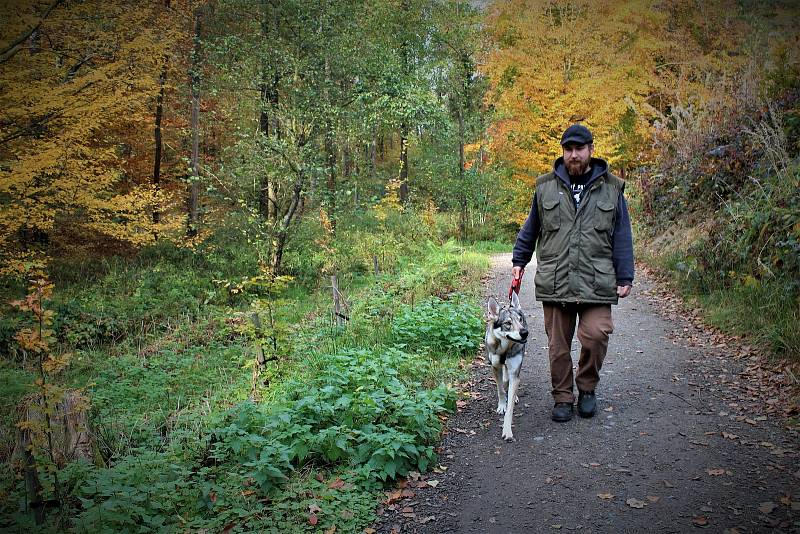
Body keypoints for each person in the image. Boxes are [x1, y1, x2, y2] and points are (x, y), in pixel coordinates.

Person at [511, 124, 634, 422]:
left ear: (591, 149)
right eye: (569, 149)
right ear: (563, 152)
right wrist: (519, 261)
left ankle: (588, 388)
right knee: (558, 345)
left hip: (597, 278)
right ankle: (563, 396)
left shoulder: (612, 188)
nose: (574, 155)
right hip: (557, 279)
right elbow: (531, 228)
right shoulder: (545, 187)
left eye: (580, 149)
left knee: (596, 335)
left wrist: (624, 275)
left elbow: (621, 234)